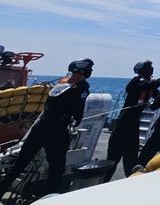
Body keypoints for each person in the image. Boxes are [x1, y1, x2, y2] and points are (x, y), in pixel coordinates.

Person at [0, 59, 93, 198]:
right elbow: (77, 110)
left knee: (21, 162)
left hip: (41, 126)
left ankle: (3, 189)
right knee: (56, 168)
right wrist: (75, 121)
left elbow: (49, 103)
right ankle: (49, 196)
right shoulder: (82, 87)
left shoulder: (61, 82)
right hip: (57, 131)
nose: (78, 76)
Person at [105, 60, 160, 179]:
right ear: (143, 69)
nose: (152, 69)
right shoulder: (136, 81)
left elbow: (158, 96)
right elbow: (147, 85)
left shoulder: (149, 84)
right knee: (113, 158)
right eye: (150, 67)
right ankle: (103, 182)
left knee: (131, 159)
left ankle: (130, 181)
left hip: (134, 126)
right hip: (122, 125)